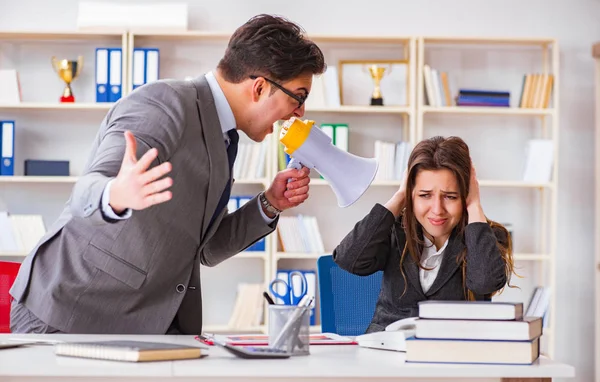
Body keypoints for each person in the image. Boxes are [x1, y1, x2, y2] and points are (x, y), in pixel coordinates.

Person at [9, 14, 326, 334]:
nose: (300, 112)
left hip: (141, 322)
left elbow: (208, 250)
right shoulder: (165, 103)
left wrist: (269, 203)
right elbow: (88, 189)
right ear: (259, 87)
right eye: (298, 97)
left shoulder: (225, 137)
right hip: (70, 312)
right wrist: (116, 194)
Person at [332, 136, 516, 333]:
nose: (437, 209)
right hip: (388, 351)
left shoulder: (486, 236)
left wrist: (474, 205)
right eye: (424, 195)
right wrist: (400, 196)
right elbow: (349, 260)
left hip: (452, 353)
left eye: (450, 196)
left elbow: (484, 283)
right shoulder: (394, 230)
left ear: (465, 195)